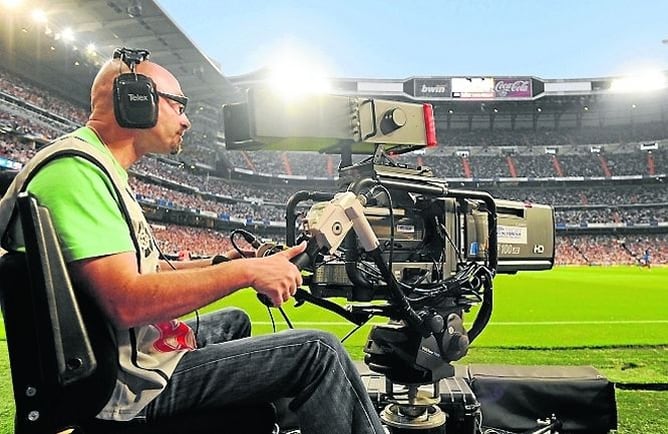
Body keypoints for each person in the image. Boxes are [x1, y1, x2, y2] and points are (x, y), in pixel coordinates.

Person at [0, 51, 385, 433]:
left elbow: (145, 273)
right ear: (136, 100)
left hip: (123, 358)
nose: (185, 120)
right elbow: (127, 302)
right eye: (178, 105)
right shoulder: (76, 174)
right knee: (319, 353)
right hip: (128, 389)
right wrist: (246, 271)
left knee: (234, 321)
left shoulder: (93, 168)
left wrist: (228, 262)